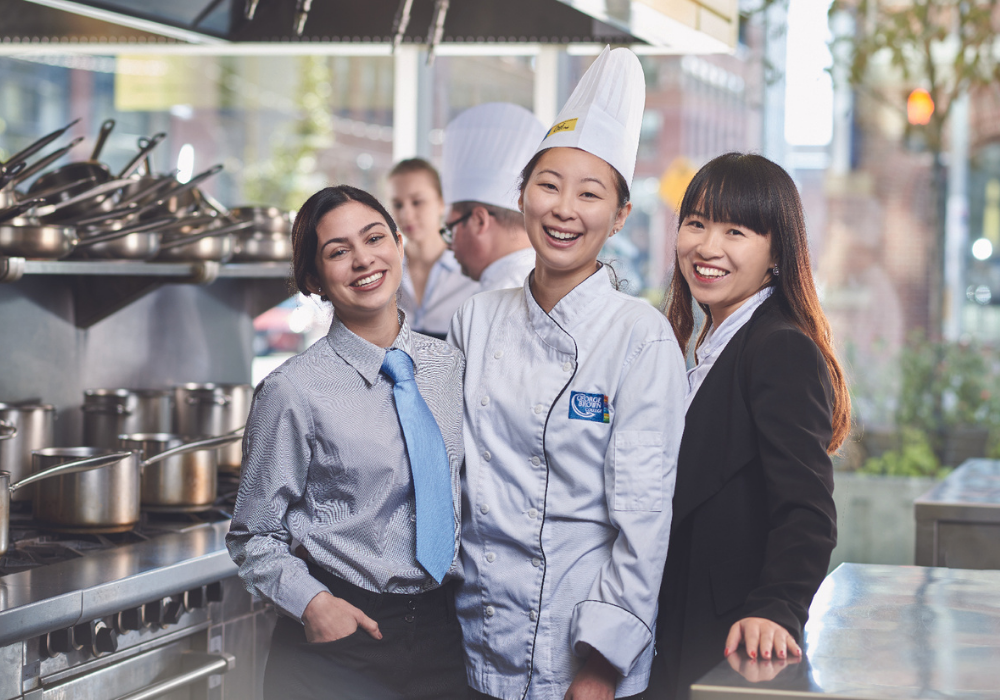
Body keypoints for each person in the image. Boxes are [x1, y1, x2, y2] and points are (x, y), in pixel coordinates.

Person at [449, 47, 687, 700]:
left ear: (619, 216)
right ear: (521, 195)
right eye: (549, 186)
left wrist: (600, 664)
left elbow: (643, 517)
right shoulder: (475, 321)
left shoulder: (639, 337)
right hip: (477, 639)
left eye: (589, 194)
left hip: (584, 653)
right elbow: (451, 480)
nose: (563, 209)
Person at [227, 185, 468, 700]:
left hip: (443, 636)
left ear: (399, 243)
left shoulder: (450, 367)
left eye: (374, 238)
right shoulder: (292, 390)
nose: (363, 260)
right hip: (338, 641)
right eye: (338, 251)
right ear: (314, 279)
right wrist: (313, 603)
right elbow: (254, 534)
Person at [649, 152, 850, 700]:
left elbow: (807, 507)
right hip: (681, 624)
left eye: (735, 231)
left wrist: (777, 607)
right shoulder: (715, 343)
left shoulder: (779, 346)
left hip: (731, 634)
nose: (707, 247)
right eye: (696, 223)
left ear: (777, 253)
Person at [440, 102, 545, 291]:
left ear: (479, 220)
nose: (448, 247)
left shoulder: (495, 298)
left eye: (450, 230)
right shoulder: (550, 282)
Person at [389, 157, 480, 338]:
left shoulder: (471, 274)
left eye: (417, 202)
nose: (406, 214)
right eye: (397, 205)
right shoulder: (387, 271)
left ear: (441, 203)